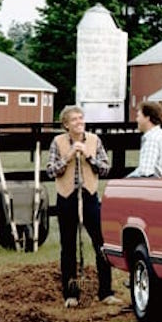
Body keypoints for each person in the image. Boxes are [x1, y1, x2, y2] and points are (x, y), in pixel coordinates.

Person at [46, 105, 122, 308]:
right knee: (68, 247)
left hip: (89, 197)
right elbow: (51, 171)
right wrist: (69, 156)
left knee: (101, 243)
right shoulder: (58, 142)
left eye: (81, 118)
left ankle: (105, 292)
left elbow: (105, 169)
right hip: (67, 197)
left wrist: (88, 155)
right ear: (66, 125)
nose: (79, 122)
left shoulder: (95, 140)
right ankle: (71, 295)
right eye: (74, 120)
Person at [127, 101, 162, 178]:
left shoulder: (152, 139)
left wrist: (125, 180)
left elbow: (145, 172)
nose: (136, 119)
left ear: (147, 118)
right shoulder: (161, 135)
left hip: (156, 185)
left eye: (138, 116)